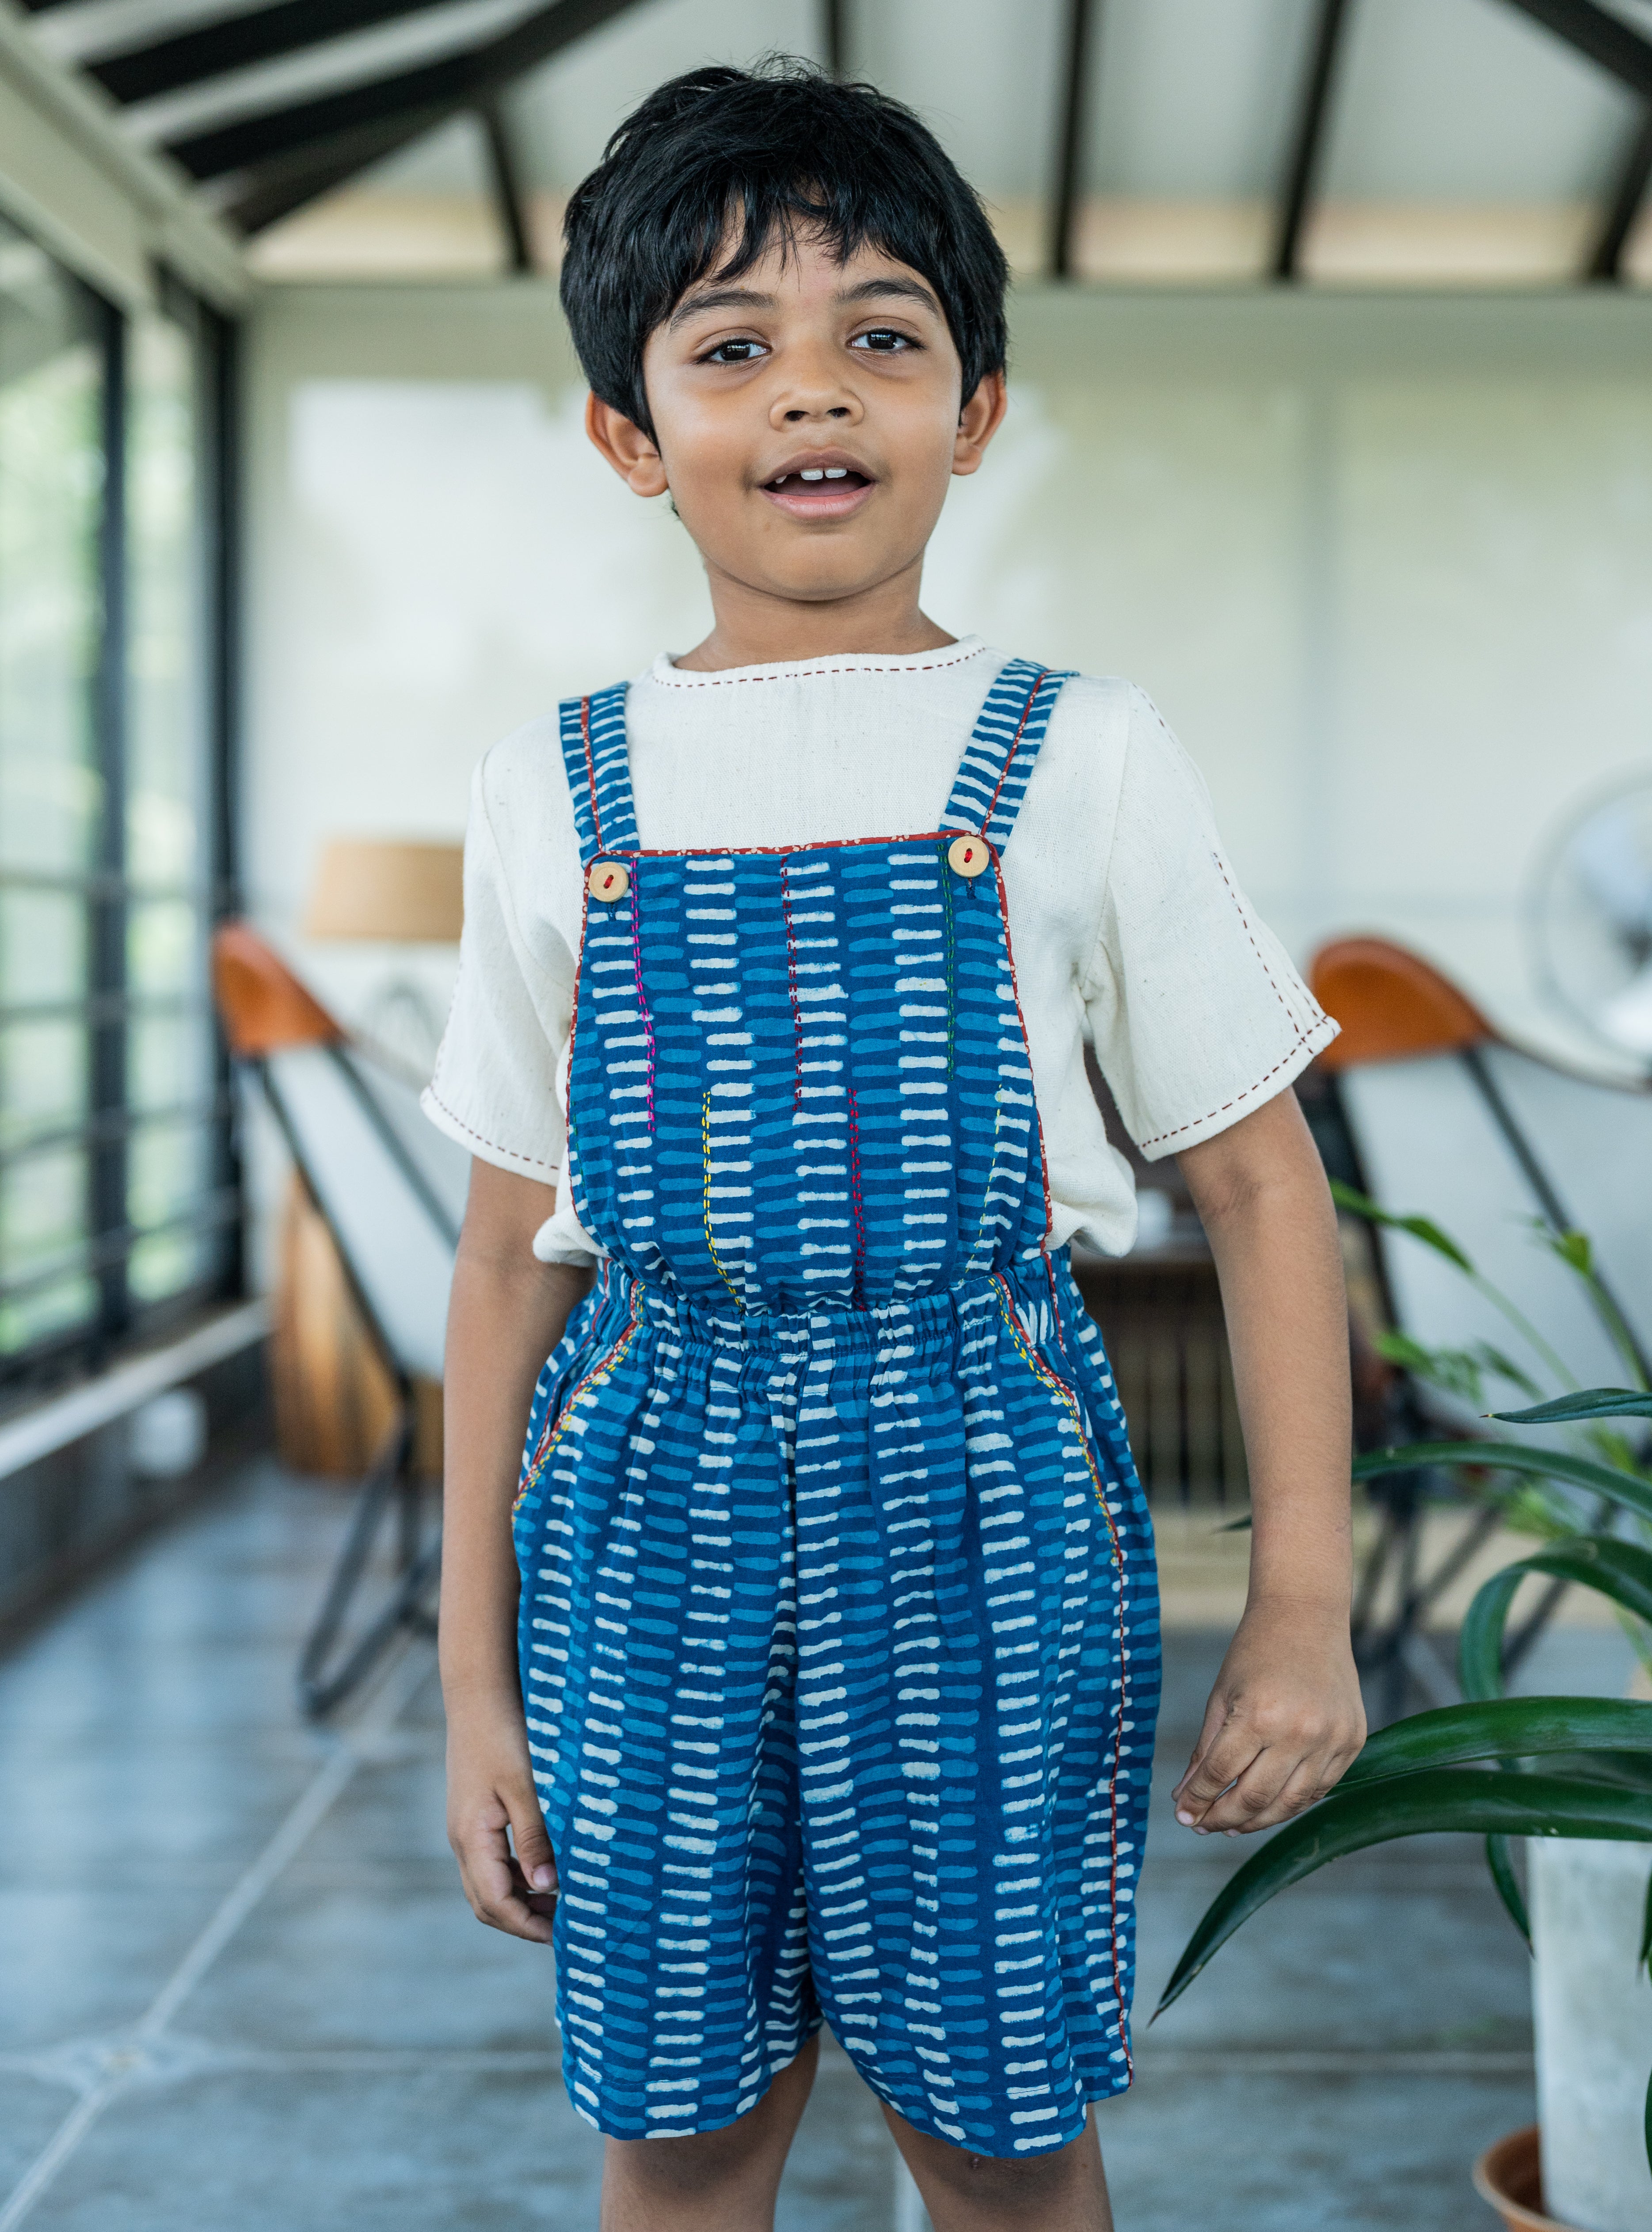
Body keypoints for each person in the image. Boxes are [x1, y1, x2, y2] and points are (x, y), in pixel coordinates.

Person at [424, 58, 1364, 2232]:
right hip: (637, 1505)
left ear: (977, 405)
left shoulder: (1083, 757)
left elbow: (1254, 1181)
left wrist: (1301, 1598)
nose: (811, 393)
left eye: (881, 335)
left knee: (1003, 2128)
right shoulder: (551, 789)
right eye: (730, 349)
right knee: (672, 2134)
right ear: (630, 437)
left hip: (982, 1497)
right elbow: (498, 1265)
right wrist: (471, 1692)